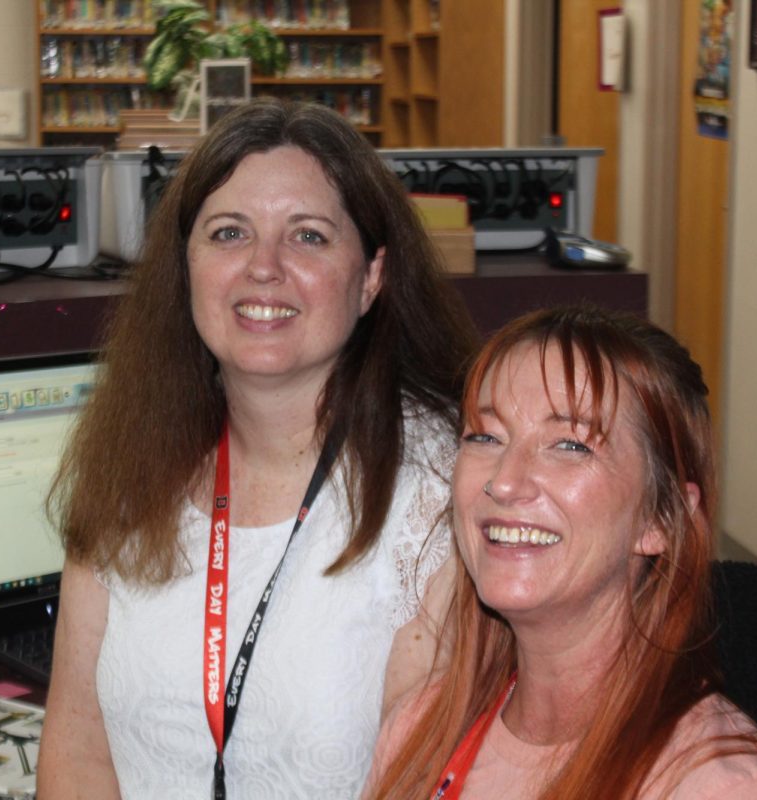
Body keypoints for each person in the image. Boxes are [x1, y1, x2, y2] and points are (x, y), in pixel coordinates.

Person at [36, 99, 482, 798]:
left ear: (370, 277)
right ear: (186, 267)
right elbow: (77, 753)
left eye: (307, 236)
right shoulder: (130, 457)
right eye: (229, 233)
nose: (264, 268)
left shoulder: (440, 494)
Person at [364, 305, 757, 799]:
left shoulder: (725, 790)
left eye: (570, 445)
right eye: (485, 436)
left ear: (662, 519)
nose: (504, 481)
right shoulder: (420, 731)